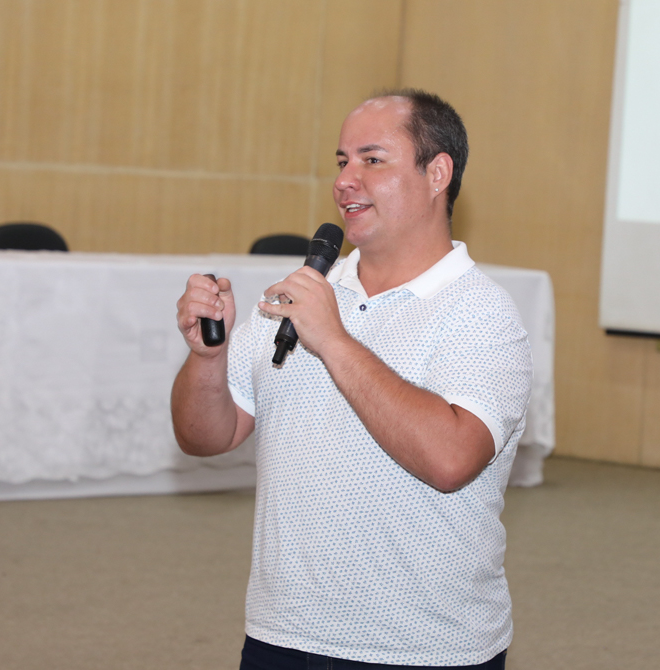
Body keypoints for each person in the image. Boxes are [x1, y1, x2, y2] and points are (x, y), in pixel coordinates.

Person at [171, 89, 532, 669]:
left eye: (372, 159)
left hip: (422, 648)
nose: (345, 180)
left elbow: (450, 459)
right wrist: (206, 360)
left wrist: (335, 340)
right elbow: (204, 436)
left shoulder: (480, 313)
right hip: (281, 634)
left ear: (438, 172)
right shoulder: (303, 294)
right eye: (342, 161)